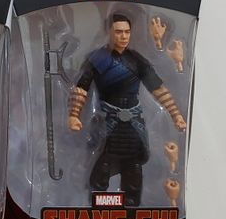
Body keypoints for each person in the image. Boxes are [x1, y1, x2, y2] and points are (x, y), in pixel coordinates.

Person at [68, 13, 186, 206]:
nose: (123, 36)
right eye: (119, 32)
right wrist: (74, 115)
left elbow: (158, 90)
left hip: (133, 122)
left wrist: (176, 115)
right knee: (103, 164)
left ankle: (131, 206)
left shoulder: (136, 60)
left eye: (127, 32)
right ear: (109, 32)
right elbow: (81, 88)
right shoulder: (98, 59)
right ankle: (98, 204)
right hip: (108, 121)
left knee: (134, 165)